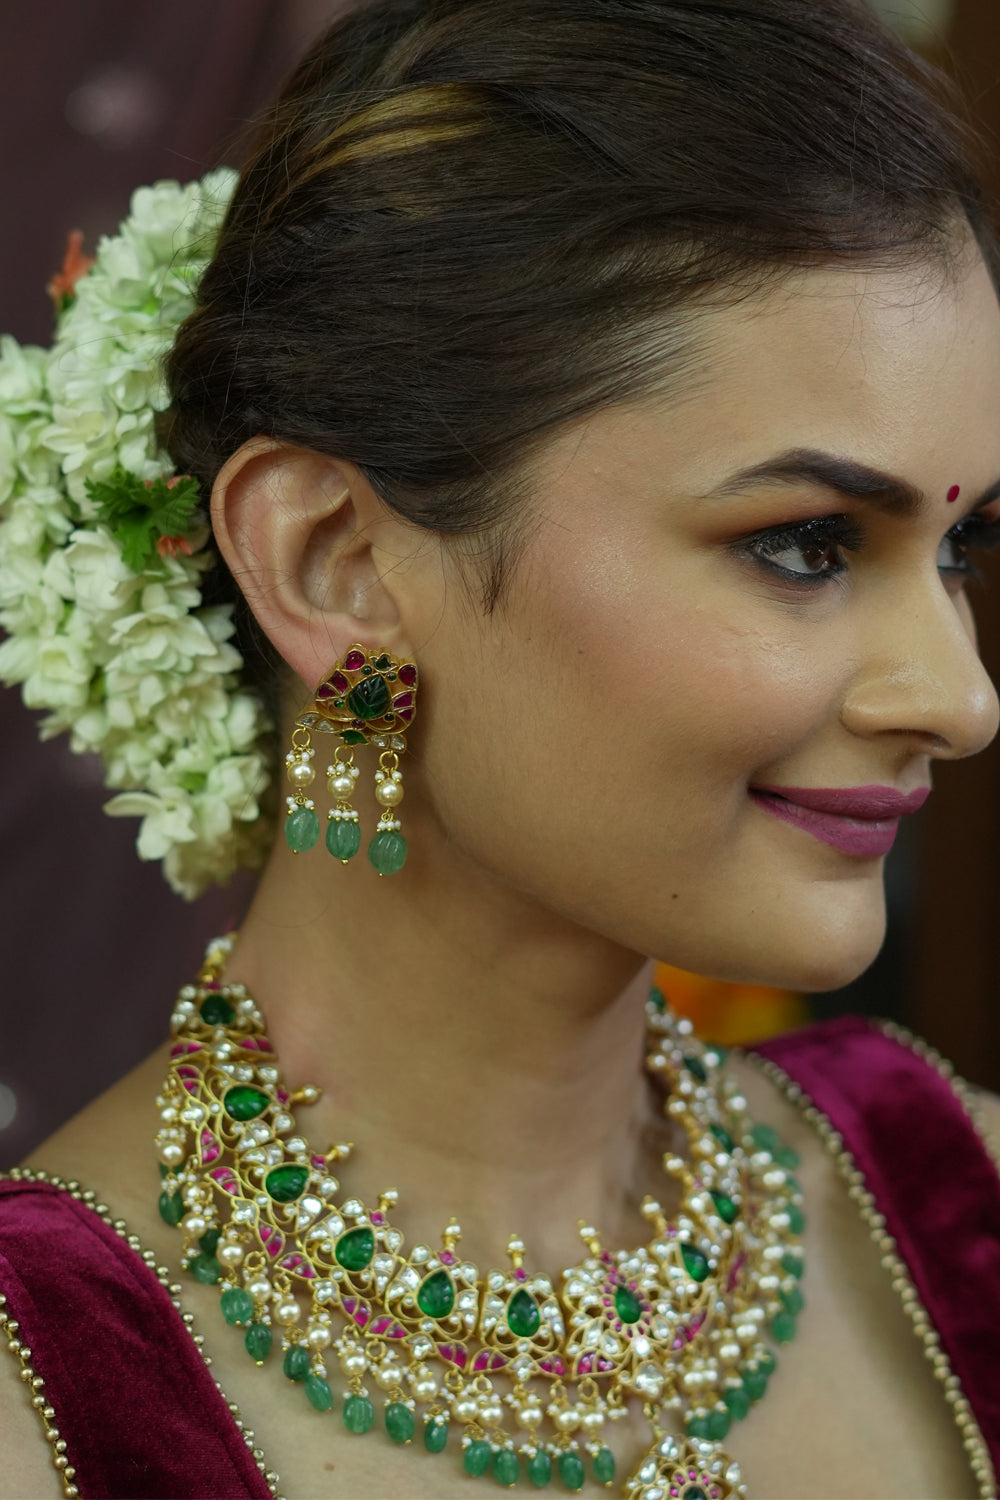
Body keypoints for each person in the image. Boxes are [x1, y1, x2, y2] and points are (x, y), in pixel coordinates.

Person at [1, 0, 999, 1495]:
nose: (959, 695)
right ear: (335, 562)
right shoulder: (45, 1396)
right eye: (803, 544)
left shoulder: (961, 1205)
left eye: (964, 550)